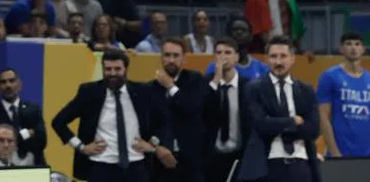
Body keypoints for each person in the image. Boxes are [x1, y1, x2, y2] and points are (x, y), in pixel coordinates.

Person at [51, 48, 173, 182]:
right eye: (108, 69)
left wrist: (152, 144)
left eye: (117, 69)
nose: (112, 73)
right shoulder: (89, 92)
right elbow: (58, 122)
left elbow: (165, 120)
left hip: (136, 166)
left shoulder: (143, 91)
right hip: (100, 166)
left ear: (126, 69)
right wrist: (81, 147)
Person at [241, 36, 319, 182]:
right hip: (268, 164)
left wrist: (277, 125)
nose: (278, 62)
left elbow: (313, 129)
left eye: (283, 56)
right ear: (266, 59)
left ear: (292, 59)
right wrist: (293, 121)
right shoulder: (254, 88)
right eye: (273, 56)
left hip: (301, 164)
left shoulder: (305, 90)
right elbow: (260, 124)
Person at [149, 38, 205, 182]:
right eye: (167, 55)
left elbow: (192, 108)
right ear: (161, 57)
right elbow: (146, 124)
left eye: (175, 55)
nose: (171, 60)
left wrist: (171, 87)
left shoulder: (195, 80)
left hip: (191, 161)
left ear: (184, 58)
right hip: (160, 161)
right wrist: (157, 147)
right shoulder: (150, 88)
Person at [316, 31, 370, 157]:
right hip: (340, 154)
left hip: (368, 155)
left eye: (357, 44)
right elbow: (323, 117)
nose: (353, 48)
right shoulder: (329, 76)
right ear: (341, 49)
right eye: (348, 44)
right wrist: (335, 153)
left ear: (363, 49)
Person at [203, 37, 250, 182]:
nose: (223, 57)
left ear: (236, 57)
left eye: (228, 52)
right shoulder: (205, 83)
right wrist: (216, 80)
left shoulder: (249, 86)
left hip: (240, 156)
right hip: (211, 157)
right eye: (219, 52)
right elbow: (201, 110)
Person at [0, 68, 48, 166]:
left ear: (19, 84)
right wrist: (27, 133)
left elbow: (42, 140)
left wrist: (10, 138)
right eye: (3, 82)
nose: (8, 85)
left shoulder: (33, 110)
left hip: (35, 166)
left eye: (12, 81)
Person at [204, 16, 269, 82]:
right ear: (227, 35)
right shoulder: (214, 67)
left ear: (251, 36)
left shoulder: (262, 68)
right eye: (235, 30)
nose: (239, 33)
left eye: (243, 30)